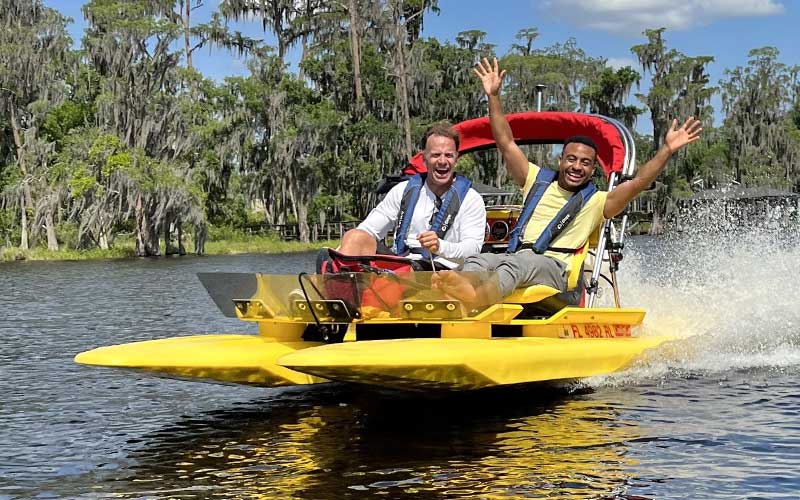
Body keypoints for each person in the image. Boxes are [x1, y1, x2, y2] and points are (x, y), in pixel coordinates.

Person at [433, 58, 703, 304]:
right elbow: (505, 142)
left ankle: (475, 300)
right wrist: (493, 96)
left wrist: (666, 150)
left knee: (514, 266)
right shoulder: (535, 180)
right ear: (561, 160)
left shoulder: (598, 201)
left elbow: (638, 183)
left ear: (592, 168)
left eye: (585, 163)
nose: (577, 166)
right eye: (571, 159)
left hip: (556, 270)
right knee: (478, 260)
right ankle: (455, 296)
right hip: (516, 258)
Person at [337, 122, 487, 269]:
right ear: (424, 158)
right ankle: (337, 281)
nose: (442, 161)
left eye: (448, 155)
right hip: (403, 265)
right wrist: (345, 248)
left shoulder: (471, 199)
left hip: (445, 272)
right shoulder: (402, 191)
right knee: (355, 236)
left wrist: (440, 246)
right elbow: (368, 230)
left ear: (456, 159)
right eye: (435, 155)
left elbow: (472, 249)